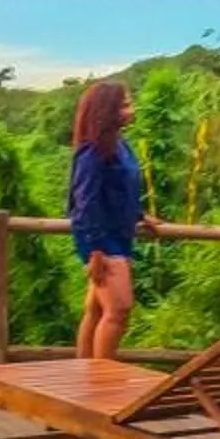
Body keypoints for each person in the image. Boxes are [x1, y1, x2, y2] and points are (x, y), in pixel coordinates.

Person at [68, 78, 148, 359]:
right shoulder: (93, 151)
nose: (131, 110)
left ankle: (86, 372)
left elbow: (121, 189)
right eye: (124, 105)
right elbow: (84, 202)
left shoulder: (119, 145)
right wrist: (94, 249)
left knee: (97, 309)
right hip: (102, 240)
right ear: (107, 110)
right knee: (119, 310)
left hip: (118, 235)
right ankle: (102, 375)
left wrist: (140, 215)